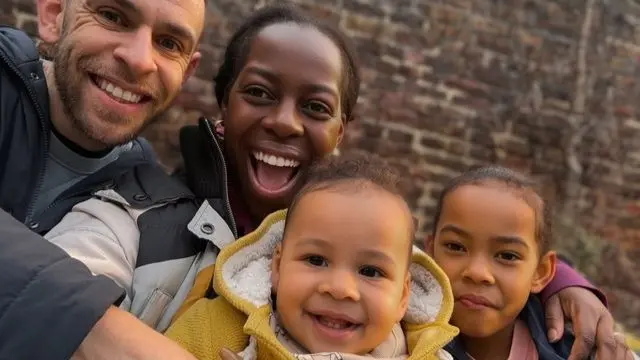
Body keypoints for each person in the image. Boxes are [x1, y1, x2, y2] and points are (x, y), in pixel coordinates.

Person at [44, 4, 621, 359]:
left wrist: (559, 284)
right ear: (223, 105)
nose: (285, 122)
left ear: (342, 131)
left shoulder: (377, 244)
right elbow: (37, 297)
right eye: (259, 94)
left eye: (316, 108)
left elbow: (472, 271)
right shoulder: (131, 219)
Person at [0, 0, 206, 358]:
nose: (141, 60)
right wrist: (91, 325)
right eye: (112, 16)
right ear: (53, 15)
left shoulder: (144, 196)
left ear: (186, 73)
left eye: (169, 44)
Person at [165, 153, 460, 360]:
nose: (340, 288)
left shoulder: (425, 355)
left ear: (403, 297)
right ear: (277, 266)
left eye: (370, 271)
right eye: (316, 260)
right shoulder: (224, 328)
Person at [425, 166, 637, 360]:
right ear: (430, 251)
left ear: (541, 272)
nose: (477, 272)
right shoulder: (401, 331)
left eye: (507, 256)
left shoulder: (576, 350)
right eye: (455, 247)